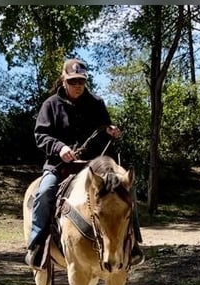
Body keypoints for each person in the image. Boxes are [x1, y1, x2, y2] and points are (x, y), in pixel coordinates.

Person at [26, 58, 144, 270]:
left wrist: (110, 130)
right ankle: (37, 245)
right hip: (60, 166)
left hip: (94, 167)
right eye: (73, 81)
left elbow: (104, 127)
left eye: (81, 81)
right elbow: (41, 135)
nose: (77, 85)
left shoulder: (96, 103)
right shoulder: (50, 105)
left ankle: (134, 245)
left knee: (127, 191)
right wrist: (60, 148)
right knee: (44, 193)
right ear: (63, 80)